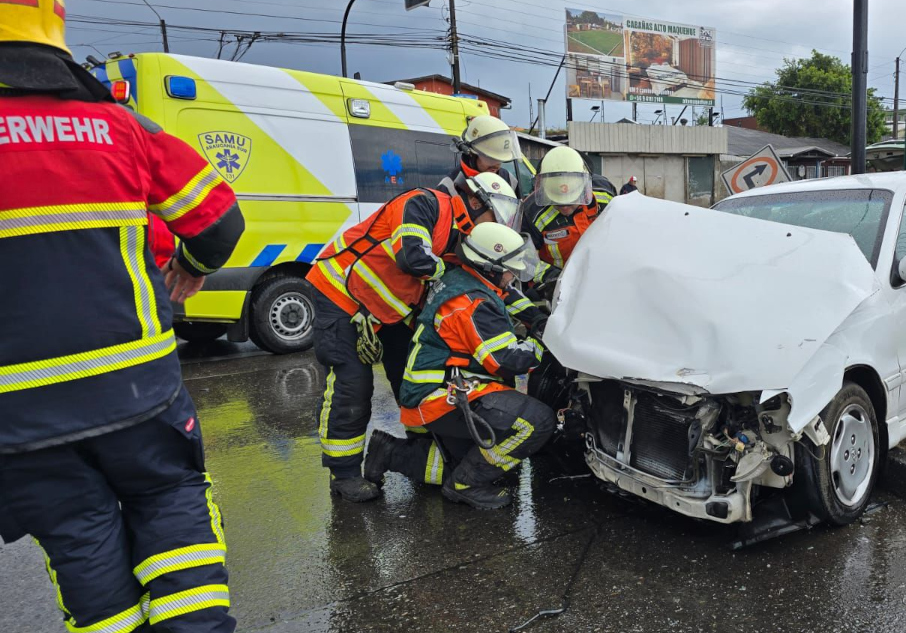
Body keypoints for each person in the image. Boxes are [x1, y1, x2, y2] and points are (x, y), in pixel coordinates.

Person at [0, 3, 245, 632]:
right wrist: (190, 265)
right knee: (170, 509)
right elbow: (219, 219)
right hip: (137, 388)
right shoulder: (119, 126)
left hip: (17, 417)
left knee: (79, 539)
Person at [305, 171, 532, 503]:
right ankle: (344, 475)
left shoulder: (465, 235)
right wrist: (449, 275)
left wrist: (534, 314)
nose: (496, 224)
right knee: (352, 385)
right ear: (473, 201)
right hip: (340, 294)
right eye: (494, 215)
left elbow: (491, 283)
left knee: (410, 378)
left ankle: (417, 448)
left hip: (388, 312)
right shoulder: (425, 205)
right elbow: (412, 257)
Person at [363, 223, 555, 509]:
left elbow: (506, 295)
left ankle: (388, 452)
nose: (513, 275)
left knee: (484, 463)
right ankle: (465, 486)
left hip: (435, 389)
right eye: (509, 269)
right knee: (537, 422)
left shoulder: (464, 278)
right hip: (442, 396)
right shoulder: (472, 303)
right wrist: (547, 342)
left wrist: (535, 317)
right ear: (489, 268)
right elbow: (506, 360)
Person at [520, 146, 617, 277]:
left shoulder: (605, 192)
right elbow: (525, 260)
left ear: (584, 187)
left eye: (571, 199)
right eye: (557, 202)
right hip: (561, 286)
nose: (565, 207)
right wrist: (554, 280)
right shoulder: (531, 212)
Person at [437, 114, 522, 196]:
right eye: (490, 158)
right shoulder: (449, 187)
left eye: (500, 159)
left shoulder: (508, 180)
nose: (496, 165)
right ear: (471, 154)